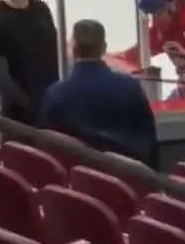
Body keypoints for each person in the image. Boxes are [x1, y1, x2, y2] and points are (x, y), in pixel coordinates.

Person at [40, 19, 159, 167]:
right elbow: (149, 143)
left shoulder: (55, 94)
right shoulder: (129, 88)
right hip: (128, 179)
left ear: (74, 49)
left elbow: (49, 149)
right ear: (103, 48)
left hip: (80, 182)